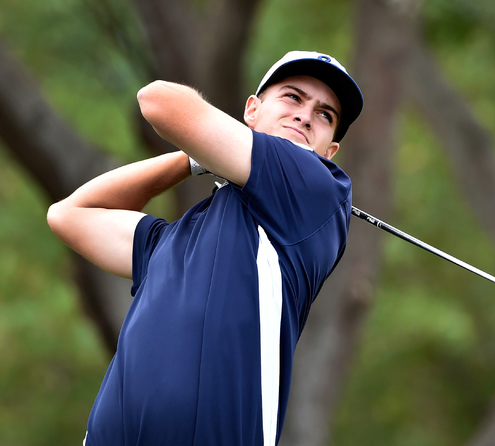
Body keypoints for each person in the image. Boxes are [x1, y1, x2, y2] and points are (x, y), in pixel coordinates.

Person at [47, 50, 363, 446]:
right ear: (252, 110)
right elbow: (69, 214)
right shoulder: (175, 238)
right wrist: (193, 158)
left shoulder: (317, 186)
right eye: (293, 97)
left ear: (329, 151)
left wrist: (208, 147)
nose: (305, 116)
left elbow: (158, 101)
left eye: (325, 115)